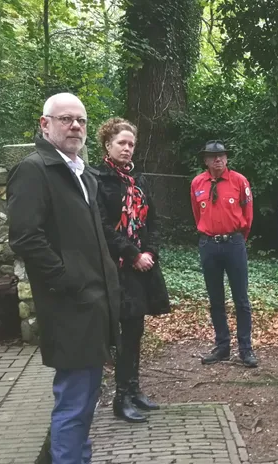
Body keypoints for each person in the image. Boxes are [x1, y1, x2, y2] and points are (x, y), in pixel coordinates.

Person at [7, 93, 132, 464]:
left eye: (81, 120)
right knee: (73, 401)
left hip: (95, 303)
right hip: (71, 305)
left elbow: (93, 237)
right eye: (66, 120)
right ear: (45, 125)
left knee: (87, 396)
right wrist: (68, 281)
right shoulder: (35, 169)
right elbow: (25, 237)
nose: (76, 126)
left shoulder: (82, 173)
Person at [91, 117, 171, 424]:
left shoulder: (139, 180)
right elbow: (101, 226)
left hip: (142, 267)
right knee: (123, 334)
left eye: (131, 144)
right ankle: (120, 398)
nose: (127, 149)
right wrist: (133, 254)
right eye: (121, 143)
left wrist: (149, 251)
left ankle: (134, 389)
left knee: (136, 330)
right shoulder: (98, 179)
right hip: (117, 267)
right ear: (107, 145)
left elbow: (153, 221)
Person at [190, 141, 258, 368]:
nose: (217, 159)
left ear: (227, 158)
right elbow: (196, 214)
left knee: (241, 299)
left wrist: (238, 239)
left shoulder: (239, 181)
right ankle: (222, 346)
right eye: (212, 156)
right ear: (206, 160)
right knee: (215, 298)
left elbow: (248, 214)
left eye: (221, 156)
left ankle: (246, 349)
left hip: (234, 243)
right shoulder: (197, 183)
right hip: (209, 245)